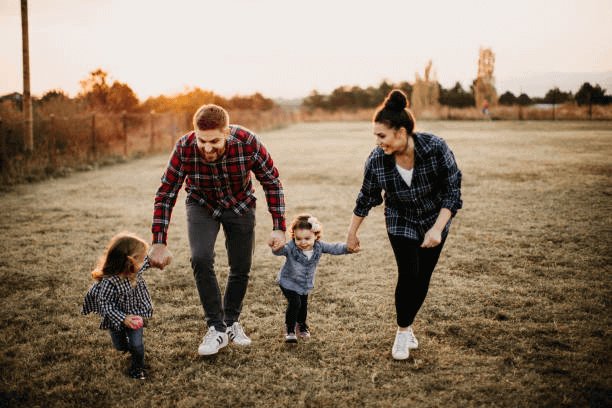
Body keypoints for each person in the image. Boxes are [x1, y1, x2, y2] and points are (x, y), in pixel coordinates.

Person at [149, 104, 286, 356]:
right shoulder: (184, 147)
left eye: (214, 141)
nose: (207, 147)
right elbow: (166, 193)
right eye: (202, 140)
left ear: (227, 133)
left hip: (240, 204)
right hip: (202, 203)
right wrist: (159, 241)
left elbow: (271, 181)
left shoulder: (247, 142)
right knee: (200, 258)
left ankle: (231, 321)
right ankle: (216, 328)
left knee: (240, 266)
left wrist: (279, 226)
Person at [346, 89, 462, 360]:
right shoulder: (377, 160)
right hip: (400, 219)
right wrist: (352, 233)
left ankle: (407, 324)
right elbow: (367, 197)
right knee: (409, 274)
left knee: (423, 279)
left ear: (401, 132)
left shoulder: (435, 147)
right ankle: (402, 332)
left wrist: (437, 228)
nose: (378, 142)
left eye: (382, 136)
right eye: (376, 136)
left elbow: (452, 192)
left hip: (436, 218)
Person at [81, 232, 153, 380]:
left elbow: (149, 260)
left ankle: (136, 370)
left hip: (135, 313)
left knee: (137, 345)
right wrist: (123, 318)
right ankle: (127, 347)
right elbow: (106, 305)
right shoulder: (109, 282)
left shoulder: (135, 269)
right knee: (120, 346)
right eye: (141, 258)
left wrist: (160, 258)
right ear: (129, 261)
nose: (143, 262)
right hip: (116, 318)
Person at [273, 214, 354, 343]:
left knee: (303, 305)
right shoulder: (291, 247)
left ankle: (301, 325)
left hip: (305, 284)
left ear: (316, 236)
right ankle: (289, 329)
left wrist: (348, 248)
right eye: (298, 239)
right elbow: (280, 251)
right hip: (288, 282)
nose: (302, 242)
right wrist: (276, 247)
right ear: (293, 236)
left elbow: (334, 248)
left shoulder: (319, 246)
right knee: (295, 303)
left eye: (307, 238)